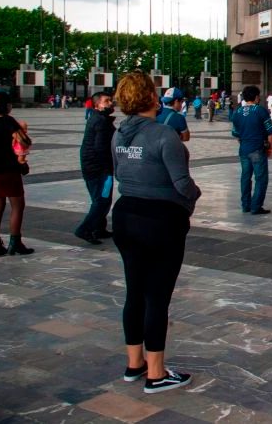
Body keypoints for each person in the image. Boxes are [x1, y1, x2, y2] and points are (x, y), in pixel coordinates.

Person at [110, 70, 202, 394]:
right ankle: (156, 373)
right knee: (157, 298)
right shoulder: (164, 135)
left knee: (134, 291)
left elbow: (119, 172)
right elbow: (181, 183)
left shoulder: (119, 135)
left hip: (125, 215)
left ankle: (134, 363)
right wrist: (195, 196)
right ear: (151, 97)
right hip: (159, 221)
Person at [0, 91, 34, 258]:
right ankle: (15, 242)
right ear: (7, 106)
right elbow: (24, 141)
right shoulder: (8, 121)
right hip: (7, 169)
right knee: (17, 205)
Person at [75, 91, 117, 244]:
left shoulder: (98, 118)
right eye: (106, 101)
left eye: (110, 100)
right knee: (102, 199)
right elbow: (101, 147)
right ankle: (85, 228)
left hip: (91, 165)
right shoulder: (100, 121)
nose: (110, 103)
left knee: (99, 198)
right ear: (97, 105)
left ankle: (99, 228)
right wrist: (111, 166)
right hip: (99, 167)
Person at [230, 85, 272, 214]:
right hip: (257, 148)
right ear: (256, 97)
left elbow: (236, 133)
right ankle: (256, 206)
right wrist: (270, 148)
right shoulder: (260, 111)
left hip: (243, 149)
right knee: (261, 178)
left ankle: (245, 205)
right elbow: (270, 132)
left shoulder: (237, 112)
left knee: (245, 177)